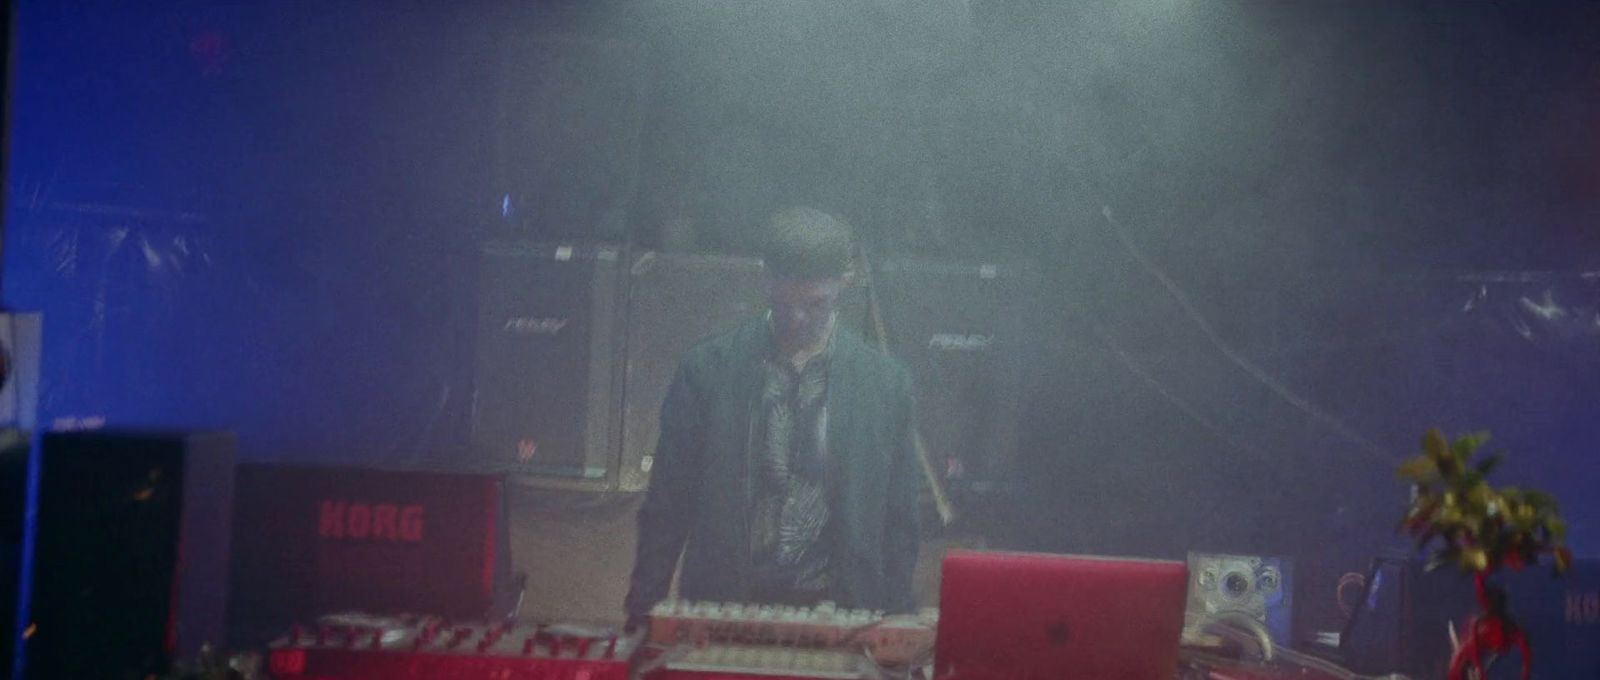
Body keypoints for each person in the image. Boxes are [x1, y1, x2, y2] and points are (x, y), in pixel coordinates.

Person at [624, 207, 921, 626]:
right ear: (764, 277)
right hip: (723, 606)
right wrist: (642, 610)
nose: (798, 318)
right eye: (784, 303)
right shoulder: (708, 369)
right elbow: (668, 502)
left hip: (842, 615)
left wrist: (896, 618)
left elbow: (900, 519)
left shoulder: (886, 385)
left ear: (846, 280)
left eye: (815, 304)